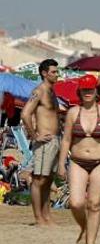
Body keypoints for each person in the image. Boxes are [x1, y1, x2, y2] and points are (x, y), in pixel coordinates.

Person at [58, 75, 100, 244]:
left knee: (94, 203)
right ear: (80, 91)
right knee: (76, 203)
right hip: (77, 161)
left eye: (90, 89)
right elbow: (66, 139)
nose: (87, 93)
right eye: (84, 90)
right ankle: (84, 228)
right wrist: (61, 163)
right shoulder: (73, 113)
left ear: (96, 91)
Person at [20, 59, 60, 226]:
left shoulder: (51, 91)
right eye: (53, 72)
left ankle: (47, 216)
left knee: (49, 180)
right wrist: (34, 135)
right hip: (44, 142)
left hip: (54, 140)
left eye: (57, 72)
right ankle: (38, 218)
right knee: (39, 180)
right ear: (44, 73)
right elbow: (25, 114)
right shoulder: (40, 91)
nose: (57, 75)